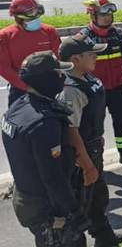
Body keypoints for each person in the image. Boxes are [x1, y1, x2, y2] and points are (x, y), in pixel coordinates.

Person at [2, 51, 89, 246]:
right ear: (46, 79)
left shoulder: (18, 107)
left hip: (26, 195)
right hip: (48, 207)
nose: (62, 77)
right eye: (58, 73)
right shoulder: (44, 123)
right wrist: (73, 210)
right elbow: (52, 176)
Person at [59, 35, 122, 246]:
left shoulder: (87, 78)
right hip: (80, 158)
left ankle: (106, 239)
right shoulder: (70, 90)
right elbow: (71, 131)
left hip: (93, 149)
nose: (96, 57)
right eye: (91, 54)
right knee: (79, 207)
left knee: (98, 199)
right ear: (75, 59)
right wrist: (87, 165)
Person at [79, 0, 122, 166]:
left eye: (109, 14)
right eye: (102, 14)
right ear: (93, 16)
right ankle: (94, 160)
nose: (107, 18)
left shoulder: (119, 35)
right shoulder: (84, 38)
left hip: (118, 89)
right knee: (93, 127)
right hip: (94, 91)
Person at [0, 0, 61, 105]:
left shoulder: (49, 31)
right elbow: (4, 67)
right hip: (20, 88)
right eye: (31, 17)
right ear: (18, 18)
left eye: (37, 16)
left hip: (49, 85)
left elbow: (61, 57)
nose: (36, 20)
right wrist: (27, 88)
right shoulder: (5, 36)